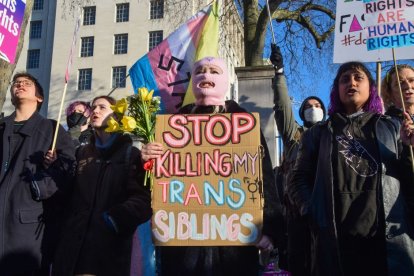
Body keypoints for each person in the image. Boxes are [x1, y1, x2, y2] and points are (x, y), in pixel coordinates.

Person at [141, 56, 283, 276]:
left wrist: (269, 230)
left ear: (224, 81)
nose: (206, 75)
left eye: (214, 71)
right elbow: (159, 184)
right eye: (200, 71)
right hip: (184, 245)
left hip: (234, 245)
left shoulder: (244, 122)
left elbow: (263, 178)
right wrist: (149, 159)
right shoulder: (174, 126)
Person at [290, 61, 414, 276]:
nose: (352, 83)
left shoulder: (394, 127)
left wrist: (410, 148)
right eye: (344, 79)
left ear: (371, 88)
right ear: (336, 89)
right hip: (335, 240)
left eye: (359, 78)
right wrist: (312, 211)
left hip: (384, 241)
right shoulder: (317, 133)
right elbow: (297, 178)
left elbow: (409, 182)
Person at [53, 95, 152, 276]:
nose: (95, 111)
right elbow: (67, 193)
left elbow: (143, 200)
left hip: (107, 251)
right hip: (72, 250)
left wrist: (114, 220)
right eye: (93, 107)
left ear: (117, 117)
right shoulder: (81, 153)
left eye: (102, 107)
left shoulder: (131, 154)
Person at [0, 72, 75, 275]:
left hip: (27, 224)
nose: (20, 85)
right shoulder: (2, 126)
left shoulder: (51, 129)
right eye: (16, 83)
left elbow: (68, 169)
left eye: (27, 83)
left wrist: (38, 188)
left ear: (39, 97)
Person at [270, 44, 326, 275]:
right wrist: (280, 73)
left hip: (326, 208)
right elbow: (282, 107)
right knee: (300, 262)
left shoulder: (333, 135)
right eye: (308, 106)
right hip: (297, 212)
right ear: (302, 114)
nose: (313, 108)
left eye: (317, 105)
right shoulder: (295, 137)